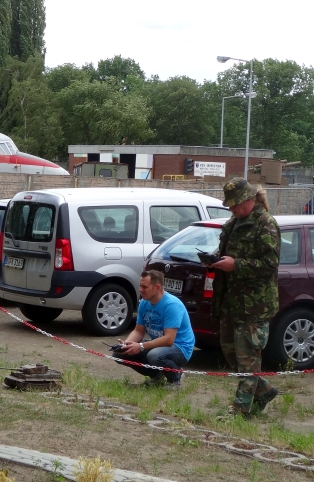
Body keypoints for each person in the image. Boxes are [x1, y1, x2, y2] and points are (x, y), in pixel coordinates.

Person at [211, 178, 281, 418]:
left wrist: (236, 266)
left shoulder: (265, 224)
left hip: (254, 305)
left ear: (249, 200)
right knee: (233, 355)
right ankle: (265, 390)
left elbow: (270, 264)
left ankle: (241, 410)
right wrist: (215, 260)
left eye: (235, 205)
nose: (232, 209)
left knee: (248, 358)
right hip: (231, 302)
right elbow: (226, 253)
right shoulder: (233, 224)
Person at [113, 270, 195, 387]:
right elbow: (138, 331)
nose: (140, 290)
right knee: (120, 354)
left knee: (154, 355)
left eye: (144, 287)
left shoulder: (172, 305)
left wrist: (140, 346)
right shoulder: (144, 303)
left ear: (157, 287)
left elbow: (169, 339)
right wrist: (126, 344)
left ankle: (176, 377)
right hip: (160, 345)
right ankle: (156, 375)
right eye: (140, 286)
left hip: (180, 347)